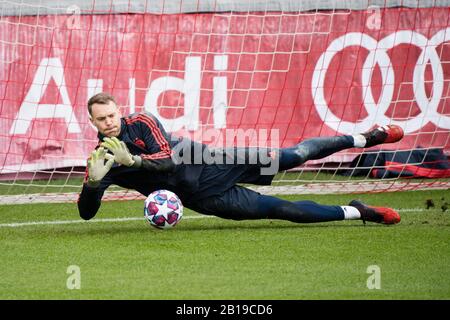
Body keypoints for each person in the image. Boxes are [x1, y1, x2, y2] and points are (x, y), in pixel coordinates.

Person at [78, 92, 404, 225]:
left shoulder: (141, 122)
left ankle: (364, 138)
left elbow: (167, 160)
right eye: (101, 119)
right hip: (206, 197)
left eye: (112, 115)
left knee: (293, 155)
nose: (109, 122)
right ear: (93, 123)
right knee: (281, 210)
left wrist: (134, 163)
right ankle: (356, 211)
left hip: (214, 160)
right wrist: (93, 184)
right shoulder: (101, 160)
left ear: (119, 111)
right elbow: (86, 214)